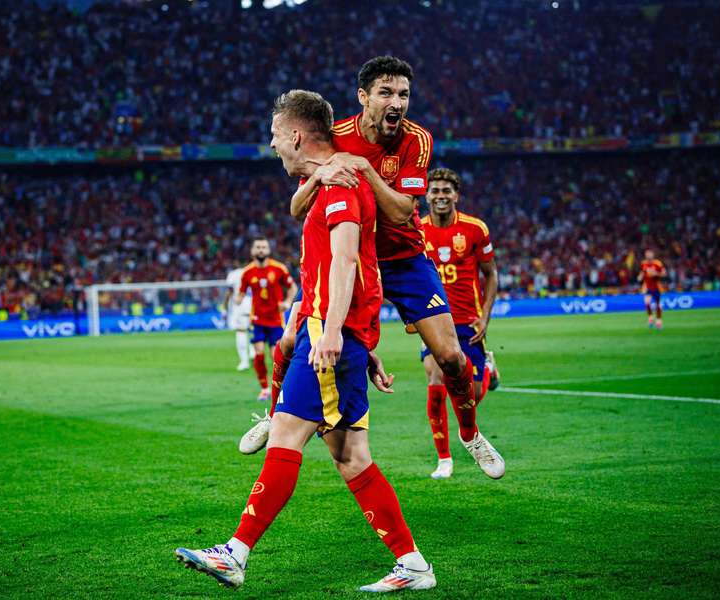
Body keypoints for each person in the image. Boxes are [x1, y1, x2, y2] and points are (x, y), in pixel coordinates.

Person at [176, 89, 436, 593]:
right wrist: (360, 340)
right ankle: (414, 565)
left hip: (326, 338)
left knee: (287, 436)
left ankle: (234, 554)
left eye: (276, 136)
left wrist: (337, 332)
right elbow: (356, 263)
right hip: (342, 338)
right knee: (351, 457)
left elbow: (345, 261)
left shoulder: (339, 186)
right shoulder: (330, 180)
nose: (274, 147)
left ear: (296, 134)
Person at [240, 56, 477, 454]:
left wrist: (364, 171)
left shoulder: (417, 140)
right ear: (363, 97)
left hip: (403, 258)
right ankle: (271, 416)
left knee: (451, 356)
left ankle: (470, 434)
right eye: (386, 93)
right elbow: (298, 207)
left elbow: (403, 212)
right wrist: (319, 174)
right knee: (287, 341)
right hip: (351, 256)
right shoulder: (338, 134)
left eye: (403, 94)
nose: (396, 103)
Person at [420, 168, 504, 480]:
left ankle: (488, 371)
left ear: (456, 195)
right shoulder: (416, 230)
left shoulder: (474, 228)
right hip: (432, 320)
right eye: (435, 191)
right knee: (436, 379)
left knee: (474, 390)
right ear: (426, 195)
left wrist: (484, 316)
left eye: (446, 191)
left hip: (468, 320)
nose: (440, 196)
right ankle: (444, 459)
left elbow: (491, 273)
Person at [238, 238, 297, 400]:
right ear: (252, 251)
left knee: (276, 356)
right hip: (256, 320)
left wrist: (287, 302)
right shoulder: (247, 272)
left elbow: (293, 287)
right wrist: (238, 299)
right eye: (258, 247)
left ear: (269, 250)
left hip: (275, 320)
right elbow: (241, 293)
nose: (261, 250)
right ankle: (264, 388)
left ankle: (282, 388)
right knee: (258, 354)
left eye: (264, 247)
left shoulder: (279, 268)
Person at [225, 261, 253, 371]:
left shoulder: (233, 274)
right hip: (253, 303)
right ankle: (253, 351)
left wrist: (225, 306)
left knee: (241, 331)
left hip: (240, 303)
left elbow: (229, 292)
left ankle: (244, 361)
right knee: (253, 329)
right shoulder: (252, 271)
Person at [638, 250, 666, 329]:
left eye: (650, 254)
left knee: (658, 305)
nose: (648, 256)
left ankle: (659, 321)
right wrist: (640, 276)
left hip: (656, 286)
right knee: (647, 302)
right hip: (647, 286)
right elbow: (642, 272)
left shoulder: (658, 263)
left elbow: (664, 273)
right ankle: (650, 318)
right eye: (647, 254)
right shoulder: (643, 263)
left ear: (653, 255)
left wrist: (656, 273)